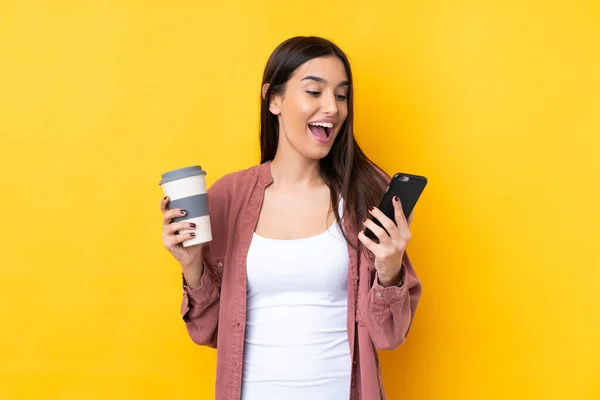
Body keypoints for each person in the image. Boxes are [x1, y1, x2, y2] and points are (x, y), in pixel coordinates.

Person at [160, 36, 422, 400]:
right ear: (274, 99)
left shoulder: (366, 194)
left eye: (342, 95)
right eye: (314, 91)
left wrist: (390, 268)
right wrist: (192, 267)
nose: (332, 107)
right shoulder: (228, 198)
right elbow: (209, 331)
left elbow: (388, 335)